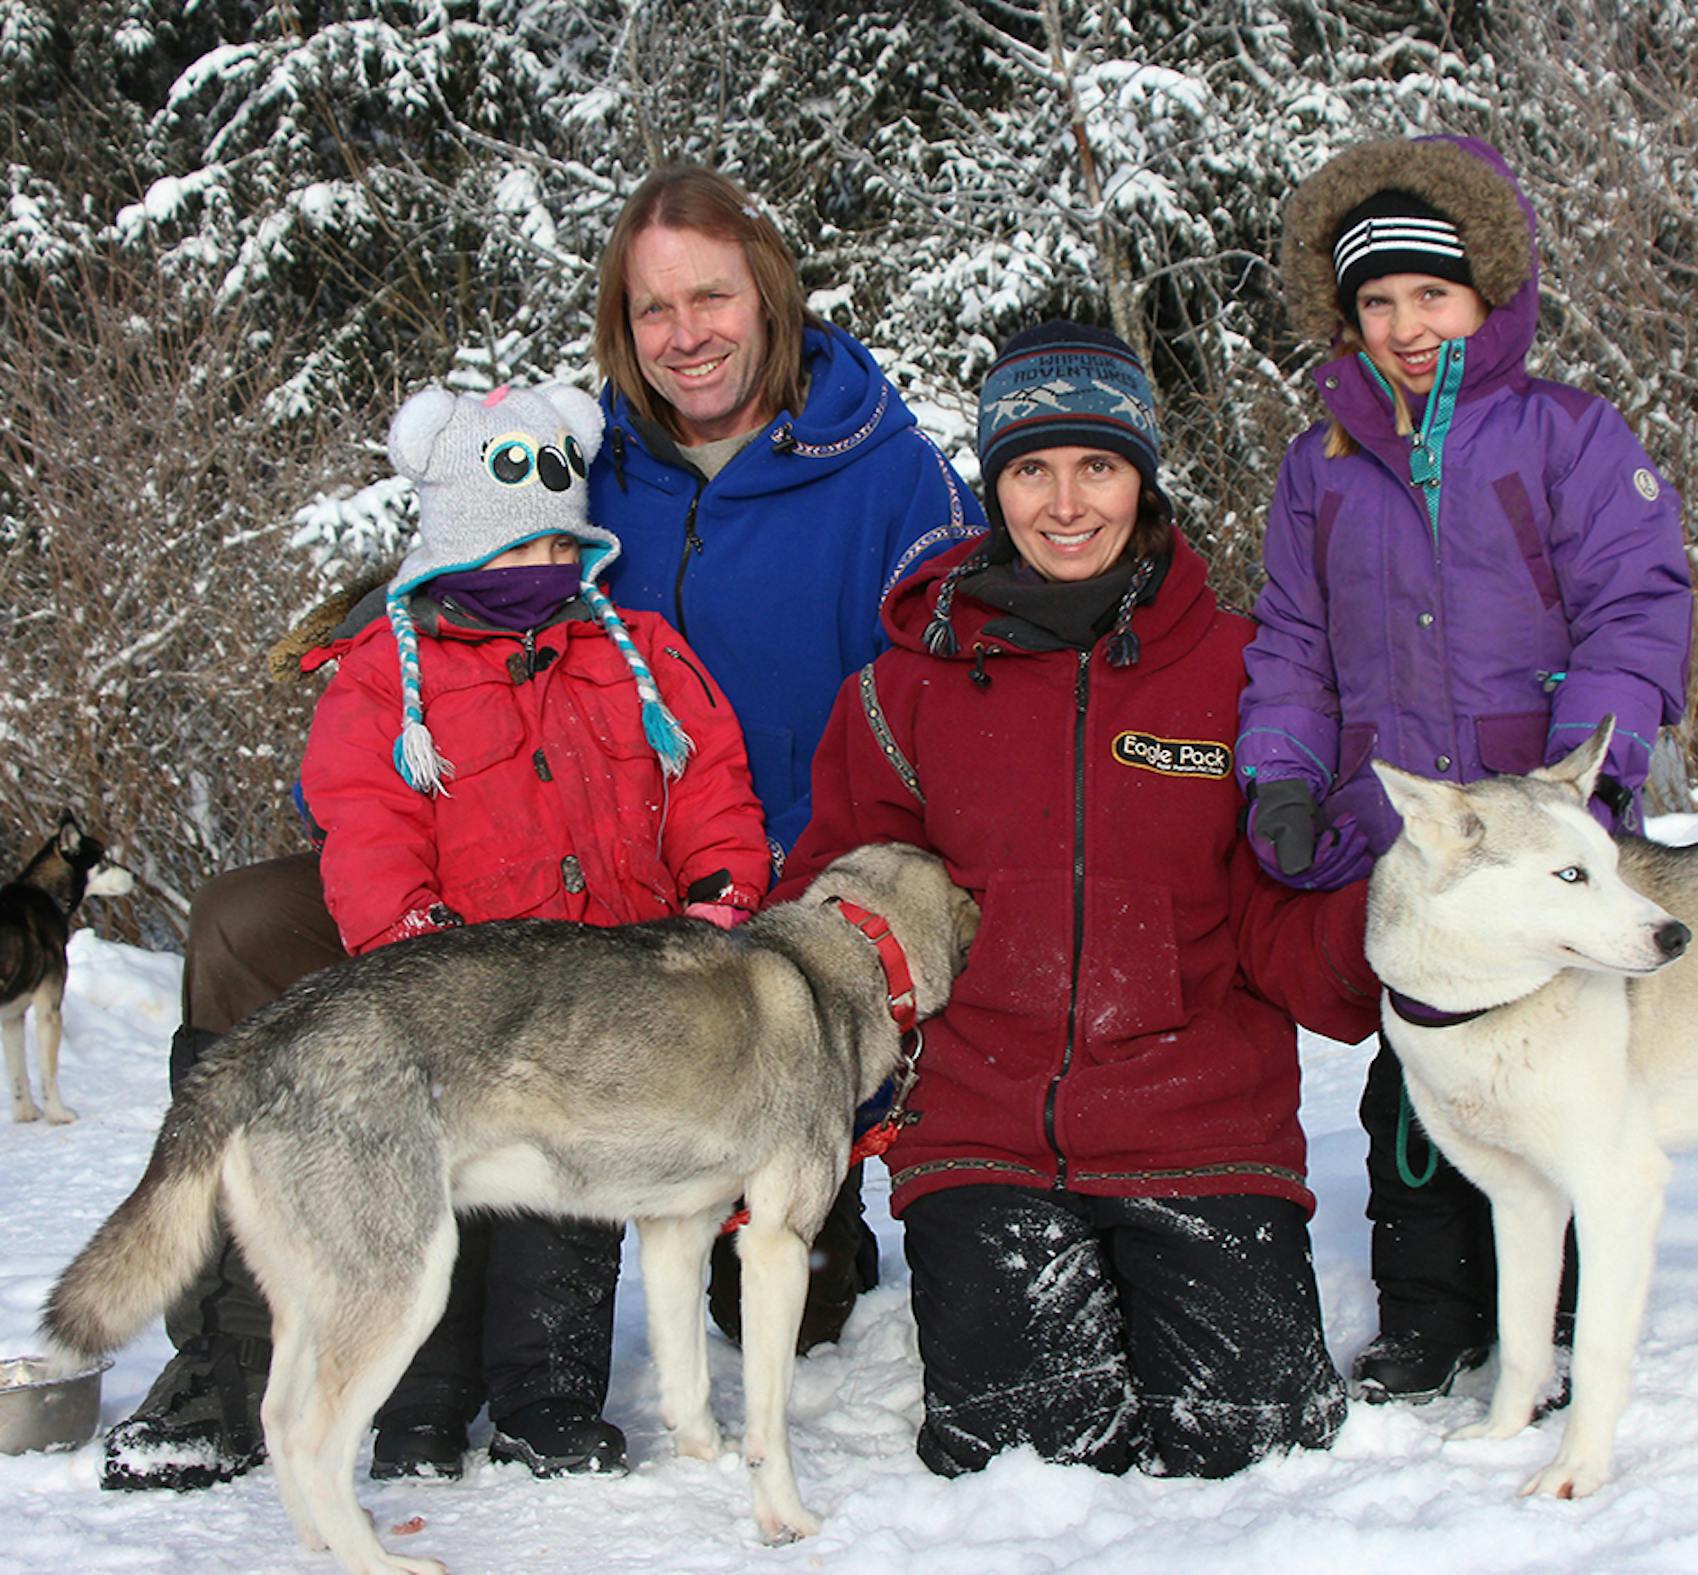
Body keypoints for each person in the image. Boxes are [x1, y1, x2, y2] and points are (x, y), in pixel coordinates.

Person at [101, 165, 985, 1493]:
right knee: (240, 925)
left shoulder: (885, 477)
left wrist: (796, 917)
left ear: (772, 296)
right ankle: (236, 1351)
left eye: (711, 295)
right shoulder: (592, 455)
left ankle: (680, 1287)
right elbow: (457, 559)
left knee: (783, 1297)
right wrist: (379, 688)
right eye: (651, 309)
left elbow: (957, 709)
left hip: (742, 915)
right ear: (616, 335)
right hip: (481, 898)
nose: (685, 331)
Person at [771, 321, 1382, 1478]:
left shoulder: (1246, 674)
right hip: (983, 1138)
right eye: (1030, 469)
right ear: (992, 485)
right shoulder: (903, 695)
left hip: (1202, 1133)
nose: (1065, 502)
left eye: (1096, 465)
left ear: (1142, 477)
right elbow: (839, 909)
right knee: (1025, 1471)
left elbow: (1275, 915)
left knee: (1252, 1457)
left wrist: (1384, 938)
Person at [1235, 135, 1694, 1405]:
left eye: (1430, 295)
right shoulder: (1317, 471)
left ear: (1487, 295)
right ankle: (1428, 1315)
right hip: (1419, 847)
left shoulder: (1570, 438)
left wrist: (1586, 794)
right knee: (1420, 1079)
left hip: (1540, 835)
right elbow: (1291, 643)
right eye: (1376, 302)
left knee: (1556, 1058)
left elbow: (1637, 610)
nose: (1405, 324)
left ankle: (1549, 1318)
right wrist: (1279, 769)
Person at [303, 381, 766, 1479]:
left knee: (569, 1196)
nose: (542, 575)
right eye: (514, 553)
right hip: (453, 993)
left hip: (606, 988)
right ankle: (418, 1401)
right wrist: (413, 942)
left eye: (560, 550)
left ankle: (549, 1395)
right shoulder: (387, 678)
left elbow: (713, 783)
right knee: (430, 1199)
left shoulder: (637, 649)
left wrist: (718, 890)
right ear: (453, 551)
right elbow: (363, 823)